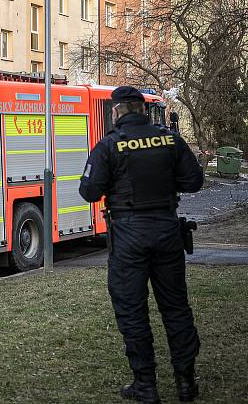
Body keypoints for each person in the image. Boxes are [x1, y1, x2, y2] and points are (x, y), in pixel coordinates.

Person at [79, 86, 204, 404]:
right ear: (143, 110)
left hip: (129, 235)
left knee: (133, 311)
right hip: (166, 229)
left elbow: (90, 192)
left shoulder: (109, 145)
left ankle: (145, 385)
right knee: (176, 308)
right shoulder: (169, 140)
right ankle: (186, 382)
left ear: (118, 111)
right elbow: (194, 181)